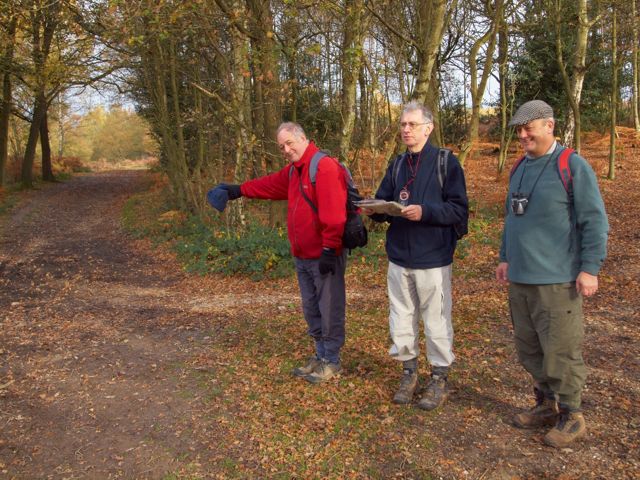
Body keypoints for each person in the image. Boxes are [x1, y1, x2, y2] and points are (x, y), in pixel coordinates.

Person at [496, 99, 609, 448]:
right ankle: (545, 404)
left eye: (529, 127)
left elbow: (594, 221)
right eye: (519, 129)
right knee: (529, 348)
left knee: (561, 350)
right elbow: (512, 219)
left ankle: (572, 415)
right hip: (521, 278)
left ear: (549, 125)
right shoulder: (520, 167)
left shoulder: (571, 165)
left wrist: (589, 269)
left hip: (558, 280)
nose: (523, 134)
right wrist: (504, 256)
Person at [207, 122, 348, 384]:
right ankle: (320, 355)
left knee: (329, 308)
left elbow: (335, 214)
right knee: (311, 308)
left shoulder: (324, 167)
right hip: (302, 255)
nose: (285, 149)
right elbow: (269, 185)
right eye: (281, 146)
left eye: (289, 143)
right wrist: (238, 190)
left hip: (324, 254)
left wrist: (330, 247)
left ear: (303, 138)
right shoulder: (294, 172)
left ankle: (332, 360)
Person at [363, 101, 468, 410]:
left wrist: (425, 211)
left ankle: (439, 379)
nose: (406, 129)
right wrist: (377, 210)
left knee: (436, 320)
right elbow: (384, 199)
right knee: (401, 318)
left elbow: (459, 209)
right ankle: (409, 372)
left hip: (433, 257)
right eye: (402, 125)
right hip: (399, 256)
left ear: (428, 127)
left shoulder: (446, 163)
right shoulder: (396, 164)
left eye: (412, 124)